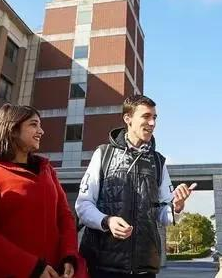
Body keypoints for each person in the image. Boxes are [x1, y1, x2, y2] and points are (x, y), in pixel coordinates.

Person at [76, 95, 196, 278]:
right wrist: (106, 221)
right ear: (128, 118)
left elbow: (163, 213)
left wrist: (177, 206)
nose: (152, 123)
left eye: (155, 117)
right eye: (146, 116)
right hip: (102, 266)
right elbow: (83, 206)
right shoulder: (103, 154)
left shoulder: (158, 161)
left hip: (144, 267)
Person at [0, 104, 79, 278]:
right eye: (34, 125)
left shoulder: (48, 171)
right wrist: (32, 267)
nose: (41, 131)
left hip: (51, 272)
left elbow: (65, 217)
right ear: (12, 130)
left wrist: (69, 256)